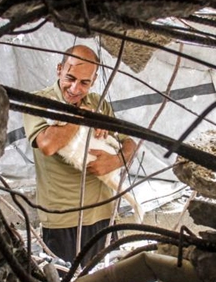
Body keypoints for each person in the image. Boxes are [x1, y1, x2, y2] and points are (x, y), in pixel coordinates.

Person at [23, 45, 137, 265]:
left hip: (104, 212)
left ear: (93, 82)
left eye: (84, 82)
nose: (75, 88)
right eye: (70, 78)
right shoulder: (37, 102)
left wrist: (116, 161)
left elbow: (130, 142)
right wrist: (82, 118)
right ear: (59, 69)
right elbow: (47, 145)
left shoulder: (98, 103)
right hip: (62, 218)